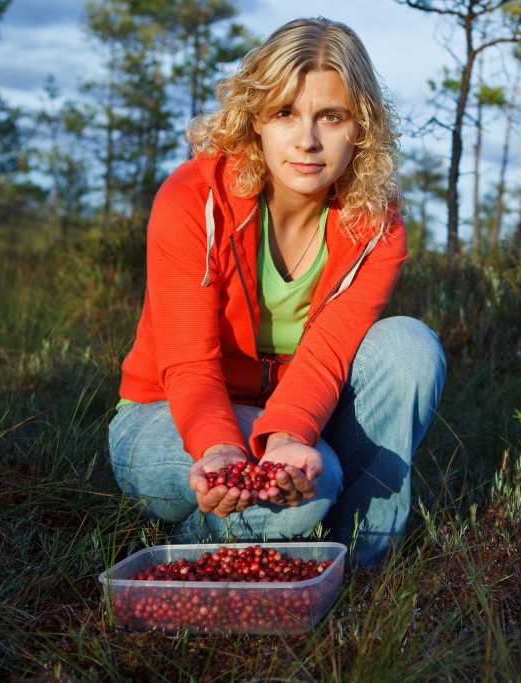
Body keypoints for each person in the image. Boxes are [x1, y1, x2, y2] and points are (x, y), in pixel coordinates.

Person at [107, 17, 446, 568]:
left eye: (330, 116)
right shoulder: (193, 198)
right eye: (285, 112)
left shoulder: (376, 225)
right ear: (255, 120)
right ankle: (177, 558)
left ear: (360, 127)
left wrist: (288, 437)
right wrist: (220, 449)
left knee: (408, 346)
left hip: (296, 416)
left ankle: (356, 563)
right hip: (166, 417)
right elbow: (190, 364)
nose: (307, 140)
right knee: (307, 486)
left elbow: (329, 354)